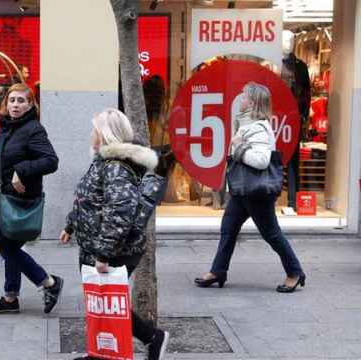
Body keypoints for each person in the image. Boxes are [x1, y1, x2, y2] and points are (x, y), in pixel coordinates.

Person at [60, 108, 169, 360]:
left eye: (94, 129)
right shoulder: (102, 161)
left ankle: (153, 338)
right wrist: (70, 225)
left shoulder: (116, 167)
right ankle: (100, 351)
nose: (91, 134)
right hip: (95, 245)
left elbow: (119, 213)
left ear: (104, 134)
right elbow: (87, 200)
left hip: (112, 249)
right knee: (101, 300)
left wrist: (104, 254)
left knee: (110, 301)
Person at [194, 82, 306, 293]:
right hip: (244, 191)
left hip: (256, 193)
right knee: (228, 229)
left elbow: (262, 161)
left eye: (244, 96)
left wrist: (238, 146)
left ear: (252, 102)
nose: (240, 98)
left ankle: (295, 272)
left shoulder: (259, 128)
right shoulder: (247, 125)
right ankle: (218, 271)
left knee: (271, 234)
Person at [0, 83, 63, 315]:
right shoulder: (5, 128)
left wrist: (22, 169)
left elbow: (51, 161)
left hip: (19, 201)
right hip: (2, 198)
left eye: (21, 101)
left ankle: (48, 283)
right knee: (8, 246)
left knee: (7, 247)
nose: (15, 105)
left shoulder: (33, 129)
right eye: (12, 100)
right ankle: (10, 297)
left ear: (30, 105)